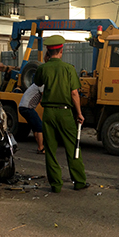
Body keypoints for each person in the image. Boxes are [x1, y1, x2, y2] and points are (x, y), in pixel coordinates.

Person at [34, 35, 88, 193]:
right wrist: (79, 113)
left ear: (48, 52)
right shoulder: (69, 69)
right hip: (65, 113)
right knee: (72, 147)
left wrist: (46, 62)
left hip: (49, 113)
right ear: (61, 50)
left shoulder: (43, 68)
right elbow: (74, 94)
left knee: (50, 149)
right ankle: (79, 181)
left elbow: (37, 83)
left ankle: (56, 185)